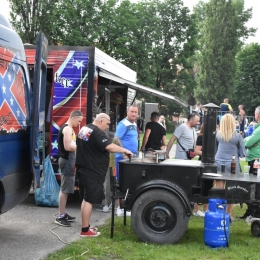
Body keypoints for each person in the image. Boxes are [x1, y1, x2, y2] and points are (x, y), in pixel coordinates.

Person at [76, 113, 133, 237]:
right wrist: (124, 150)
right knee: (89, 200)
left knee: (86, 199)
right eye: (107, 124)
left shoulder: (85, 128)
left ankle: (86, 226)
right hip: (92, 171)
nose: (107, 127)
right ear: (101, 121)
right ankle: (85, 230)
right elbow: (109, 147)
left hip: (82, 168)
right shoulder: (96, 132)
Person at [215, 113, 247, 221]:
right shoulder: (237, 136)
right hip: (232, 164)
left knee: (219, 190)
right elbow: (243, 153)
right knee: (231, 190)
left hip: (219, 162)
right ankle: (228, 214)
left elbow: (214, 149)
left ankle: (219, 213)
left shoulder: (218, 135)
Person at [55, 110, 84, 227]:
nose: (79, 123)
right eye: (79, 120)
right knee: (65, 189)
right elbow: (67, 146)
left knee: (66, 188)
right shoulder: (67, 129)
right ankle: (60, 216)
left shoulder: (69, 129)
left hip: (69, 161)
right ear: (74, 117)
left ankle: (63, 213)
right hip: (67, 161)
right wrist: (81, 148)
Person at [113, 105, 139, 216]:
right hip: (122, 159)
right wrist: (123, 152)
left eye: (135, 112)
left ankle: (127, 207)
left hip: (131, 158)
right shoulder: (123, 124)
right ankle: (119, 208)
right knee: (121, 182)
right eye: (132, 111)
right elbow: (116, 138)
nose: (134, 114)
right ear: (127, 112)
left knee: (130, 182)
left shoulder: (134, 124)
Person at [240, 106, 260, 219]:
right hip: (254, 160)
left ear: (258, 115)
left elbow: (247, 143)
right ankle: (251, 211)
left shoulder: (259, 129)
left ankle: (255, 212)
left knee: (255, 187)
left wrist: (249, 141)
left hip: (256, 161)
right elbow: (248, 140)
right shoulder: (257, 128)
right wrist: (250, 140)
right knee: (253, 186)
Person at [194, 123, 208, 217]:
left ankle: (206, 209)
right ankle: (196, 210)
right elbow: (197, 151)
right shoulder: (201, 137)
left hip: (211, 163)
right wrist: (208, 153)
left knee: (209, 187)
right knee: (200, 186)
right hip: (203, 162)